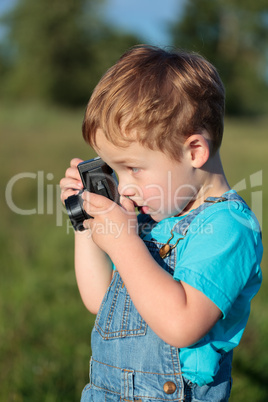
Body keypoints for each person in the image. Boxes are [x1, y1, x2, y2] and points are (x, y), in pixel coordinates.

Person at [60, 45, 262, 401]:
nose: (124, 186)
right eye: (115, 169)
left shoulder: (228, 229)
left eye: (133, 168)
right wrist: (88, 223)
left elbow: (181, 324)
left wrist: (124, 243)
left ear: (195, 151)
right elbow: (100, 300)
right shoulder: (150, 218)